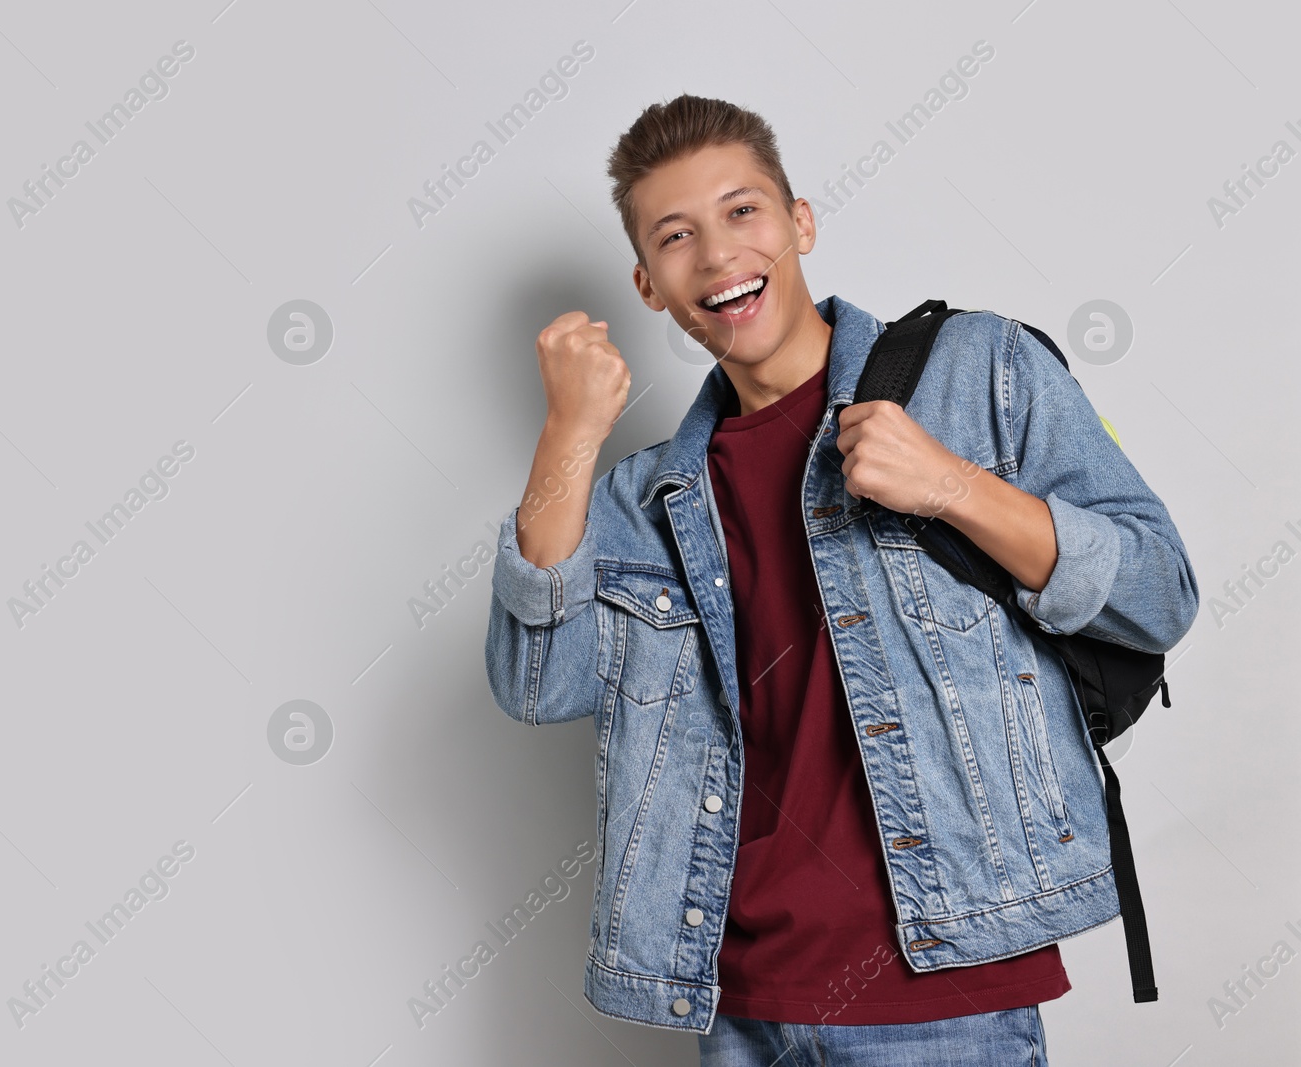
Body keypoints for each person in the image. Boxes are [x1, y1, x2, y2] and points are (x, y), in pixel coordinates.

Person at [483, 94, 1199, 1066]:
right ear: (649, 284)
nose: (718, 253)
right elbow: (535, 683)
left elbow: (1157, 589)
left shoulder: (976, 369)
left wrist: (950, 485)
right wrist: (566, 435)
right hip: (739, 1006)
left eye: (743, 211)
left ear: (799, 221)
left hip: (944, 997)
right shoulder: (644, 495)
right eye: (676, 234)